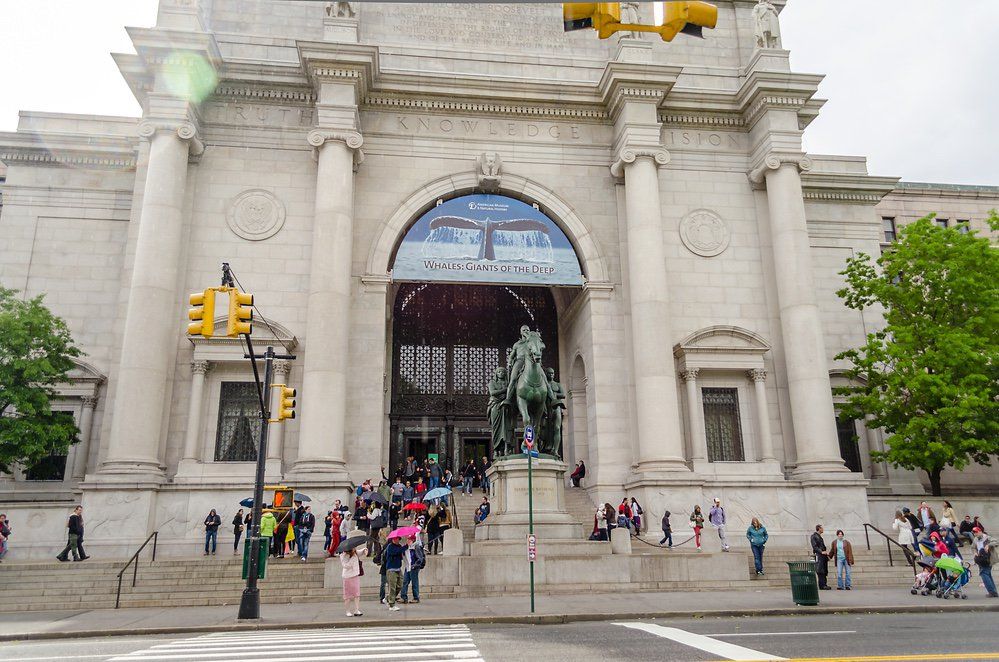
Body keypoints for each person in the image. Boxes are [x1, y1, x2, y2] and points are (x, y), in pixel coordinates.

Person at [340, 544, 367, 617]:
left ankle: (356, 610)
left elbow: (359, 552)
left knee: (357, 594)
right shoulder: (343, 555)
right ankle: (347, 611)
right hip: (347, 576)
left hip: (355, 575)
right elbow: (345, 566)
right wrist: (352, 560)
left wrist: (364, 550)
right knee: (347, 595)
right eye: (354, 548)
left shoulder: (355, 553)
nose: (355, 548)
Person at [382, 534, 406, 611]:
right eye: (394, 539)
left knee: (400, 585)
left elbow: (400, 554)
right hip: (391, 569)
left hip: (398, 568)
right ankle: (391, 605)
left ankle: (387, 598)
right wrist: (405, 547)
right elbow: (395, 552)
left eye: (397, 539)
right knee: (392, 587)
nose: (396, 540)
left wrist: (404, 549)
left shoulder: (399, 546)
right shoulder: (390, 546)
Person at [972, 527, 997, 598]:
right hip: (980, 559)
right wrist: (975, 553)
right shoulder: (975, 539)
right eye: (974, 533)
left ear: (980, 531)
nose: (975, 534)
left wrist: (988, 545)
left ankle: (992, 592)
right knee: (987, 574)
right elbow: (973, 547)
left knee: (983, 573)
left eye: (976, 532)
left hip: (988, 559)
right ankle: (993, 592)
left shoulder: (987, 538)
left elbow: (996, 542)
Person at [400, 535, 425, 604]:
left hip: (414, 567)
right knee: (405, 581)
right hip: (408, 566)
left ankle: (416, 597)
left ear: (413, 540)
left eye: (409, 539)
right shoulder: (407, 547)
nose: (408, 540)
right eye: (407, 539)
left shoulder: (416, 547)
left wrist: (415, 565)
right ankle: (403, 597)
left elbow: (420, 558)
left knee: (414, 582)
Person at [811, 525, 830, 590]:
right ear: (819, 529)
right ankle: (822, 585)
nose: (823, 529)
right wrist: (821, 552)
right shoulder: (814, 536)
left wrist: (827, 555)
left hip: (823, 555)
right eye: (822, 528)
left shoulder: (819, 537)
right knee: (820, 570)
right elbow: (814, 546)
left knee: (824, 570)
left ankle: (824, 584)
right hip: (819, 555)